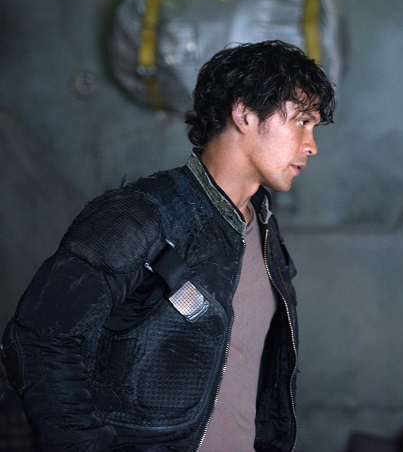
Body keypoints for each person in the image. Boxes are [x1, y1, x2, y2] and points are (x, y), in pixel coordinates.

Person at [1, 40, 335, 451]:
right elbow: (38, 339)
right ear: (245, 113)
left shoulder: (264, 229)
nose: (311, 145)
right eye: (301, 121)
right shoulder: (140, 215)